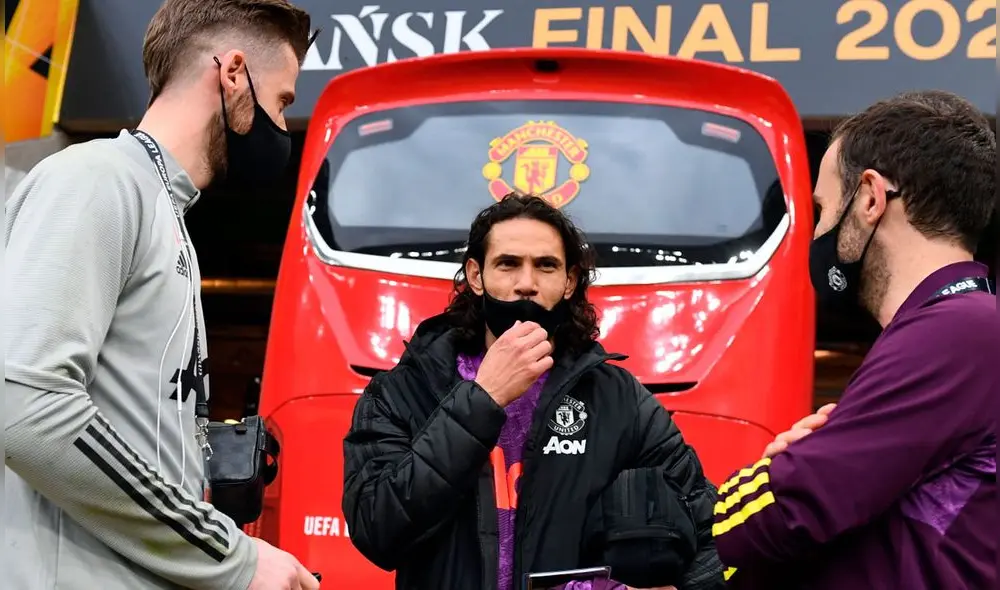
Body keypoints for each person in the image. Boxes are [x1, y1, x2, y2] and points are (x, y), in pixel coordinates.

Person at [3, 1, 319, 589]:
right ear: (232, 74)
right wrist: (232, 558)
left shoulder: (162, 209)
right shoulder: (98, 179)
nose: (280, 126)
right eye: (281, 102)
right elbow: (29, 409)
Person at [342, 193, 726, 590]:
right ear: (476, 276)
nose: (526, 284)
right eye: (508, 264)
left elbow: (714, 532)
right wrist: (483, 398)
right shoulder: (403, 391)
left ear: (569, 282)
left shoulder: (620, 399)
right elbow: (377, 531)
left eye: (546, 266)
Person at [712, 90, 997, 589]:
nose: (819, 231)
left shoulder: (958, 332)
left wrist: (761, 479)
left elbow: (789, 511)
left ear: (869, 198)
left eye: (822, 208)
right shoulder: (954, 327)